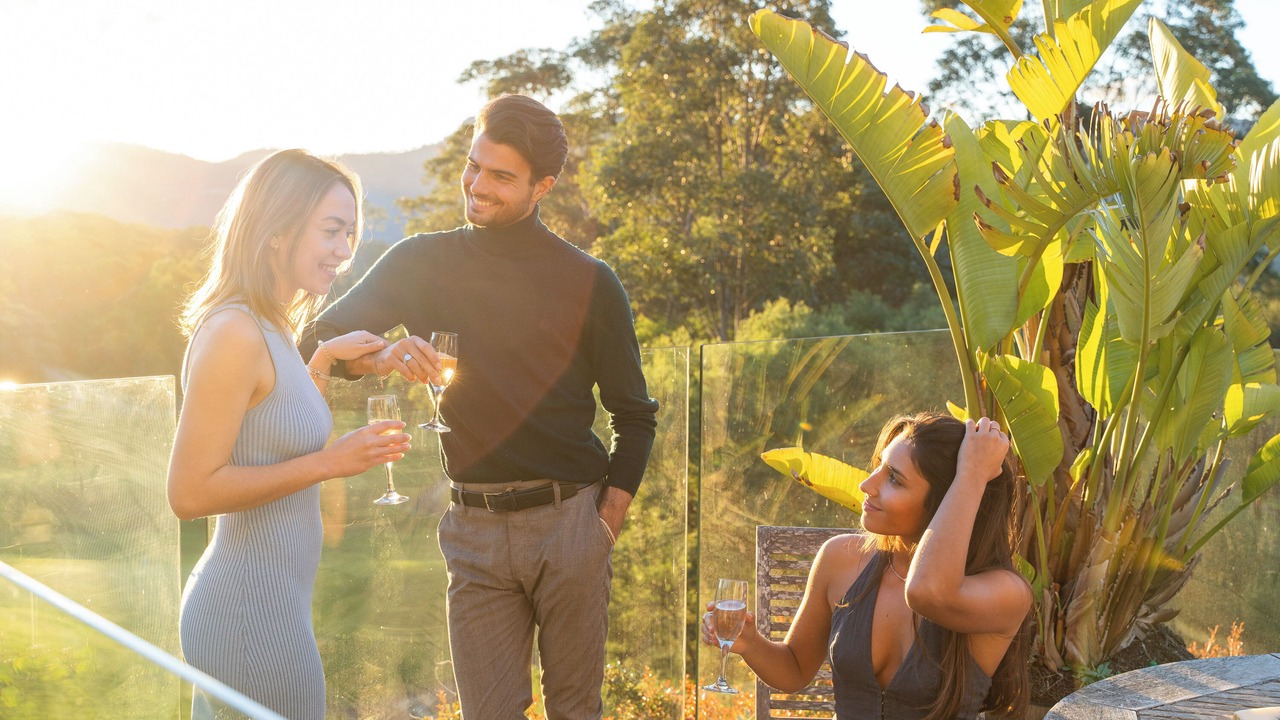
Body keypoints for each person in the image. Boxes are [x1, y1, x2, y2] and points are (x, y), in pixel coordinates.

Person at [300, 94, 660, 719]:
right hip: (472, 529)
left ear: (541, 186)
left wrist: (603, 524)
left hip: (569, 520)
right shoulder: (420, 262)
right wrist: (381, 355)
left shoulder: (590, 281)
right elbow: (317, 341)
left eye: (501, 176)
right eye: (474, 165)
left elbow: (635, 415)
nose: (477, 185)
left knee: (577, 711)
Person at [168, 149, 412, 720]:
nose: (345, 251)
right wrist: (333, 463)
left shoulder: (272, 323)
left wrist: (322, 362)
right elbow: (189, 493)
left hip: (273, 606)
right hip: (247, 612)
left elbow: (271, 425)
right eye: (332, 231)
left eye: (350, 233)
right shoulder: (234, 330)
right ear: (277, 230)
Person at [703, 414, 1031, 720]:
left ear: (947, 499)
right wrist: (749, 642)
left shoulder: (1006, 593)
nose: (866, 486)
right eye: (879, 467)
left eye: (894, 480)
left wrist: (972, 474)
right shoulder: (841, 559)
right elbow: (795, 669)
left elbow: (926, 592)